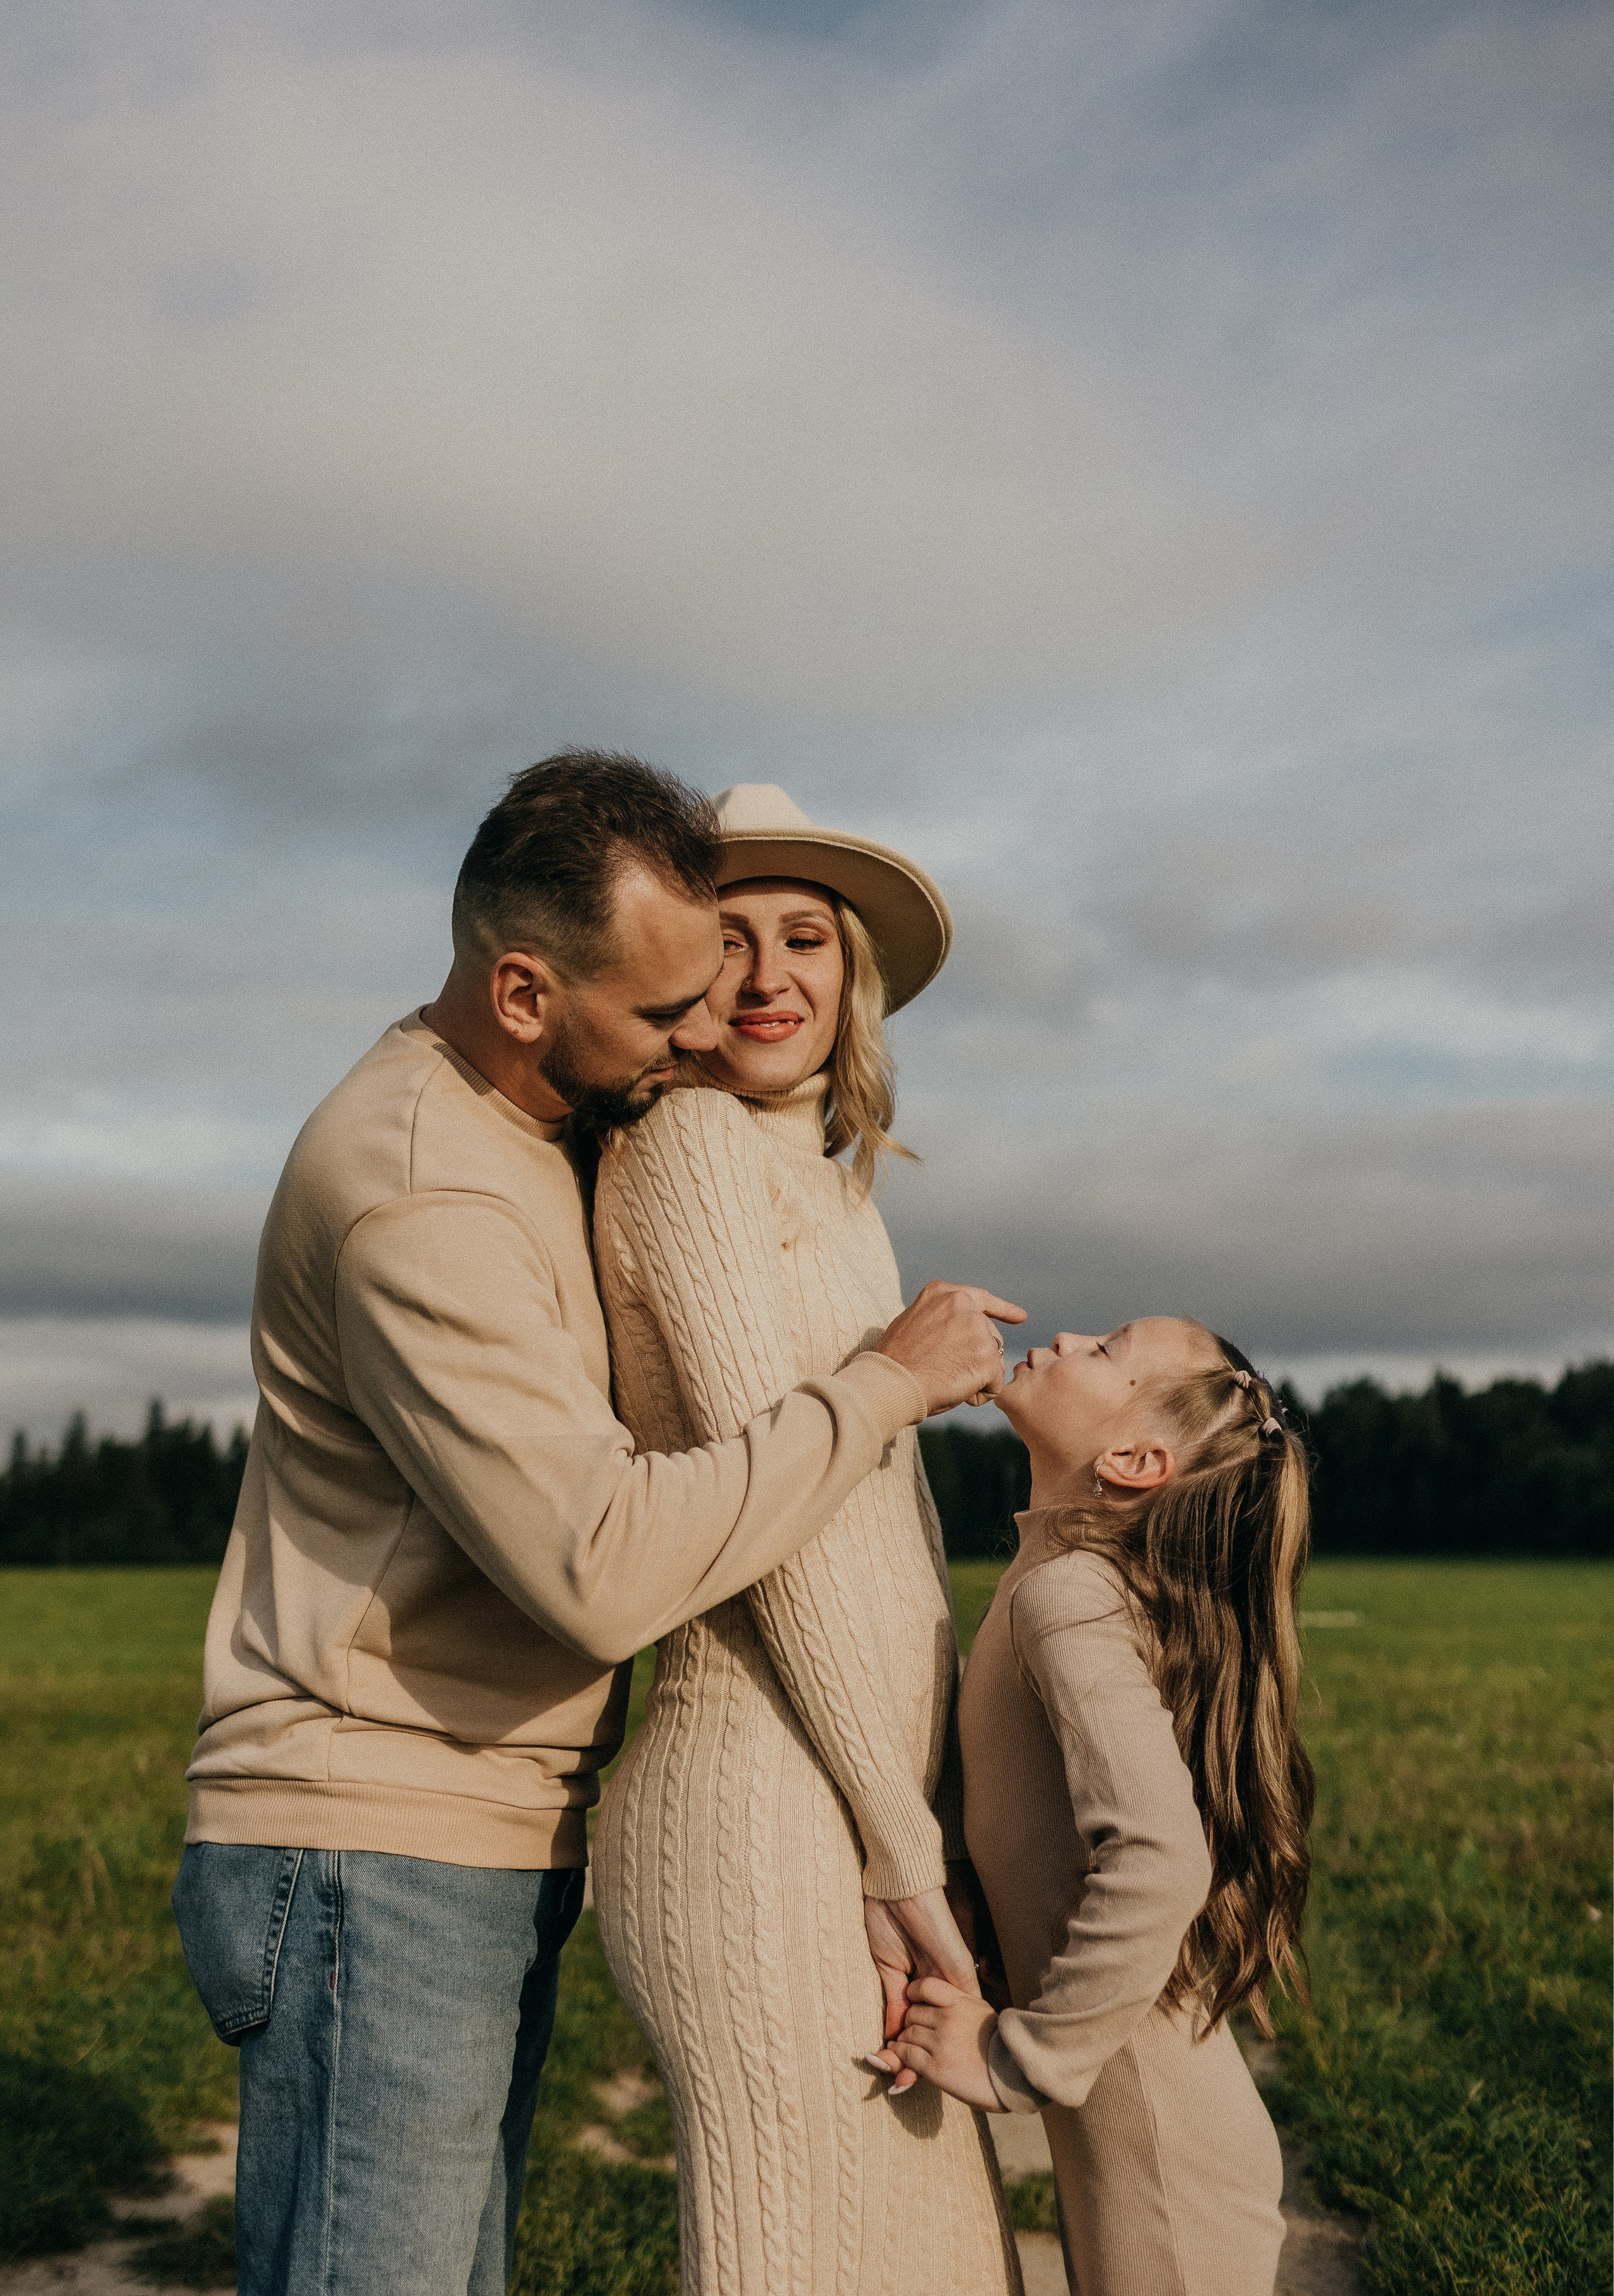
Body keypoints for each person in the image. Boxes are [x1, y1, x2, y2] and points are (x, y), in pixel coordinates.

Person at [169, 754, 1018, 2296]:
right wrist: (879, 1389)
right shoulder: (423, 1196)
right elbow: (600, 1564)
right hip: (373, 1831)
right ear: (518, 992)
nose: (705, 1027)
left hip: (472, 1819)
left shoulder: (539, 1127)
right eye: (663, 1006)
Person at [589, 784, 1025, 2296]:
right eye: (724, 943)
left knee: (936, 2256)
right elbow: (792, 1543)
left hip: (857, 1807)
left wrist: (926, 1823)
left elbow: (889, 1545)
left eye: (804, 940)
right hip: (753, 1812)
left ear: (854, 981)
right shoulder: (693, 1146)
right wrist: (907, 1853)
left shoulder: (833, 1190)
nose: (769, 976)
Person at [878, 1318, 1314, 2296]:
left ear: (1132, 1458)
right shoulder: (1057, 1577)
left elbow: (1162, 1858)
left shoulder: (1067, 1592)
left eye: (1109, 1350)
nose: (1068, 1334)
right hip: (1145, 2163)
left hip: (1168, 2179)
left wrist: (1017, 2059)